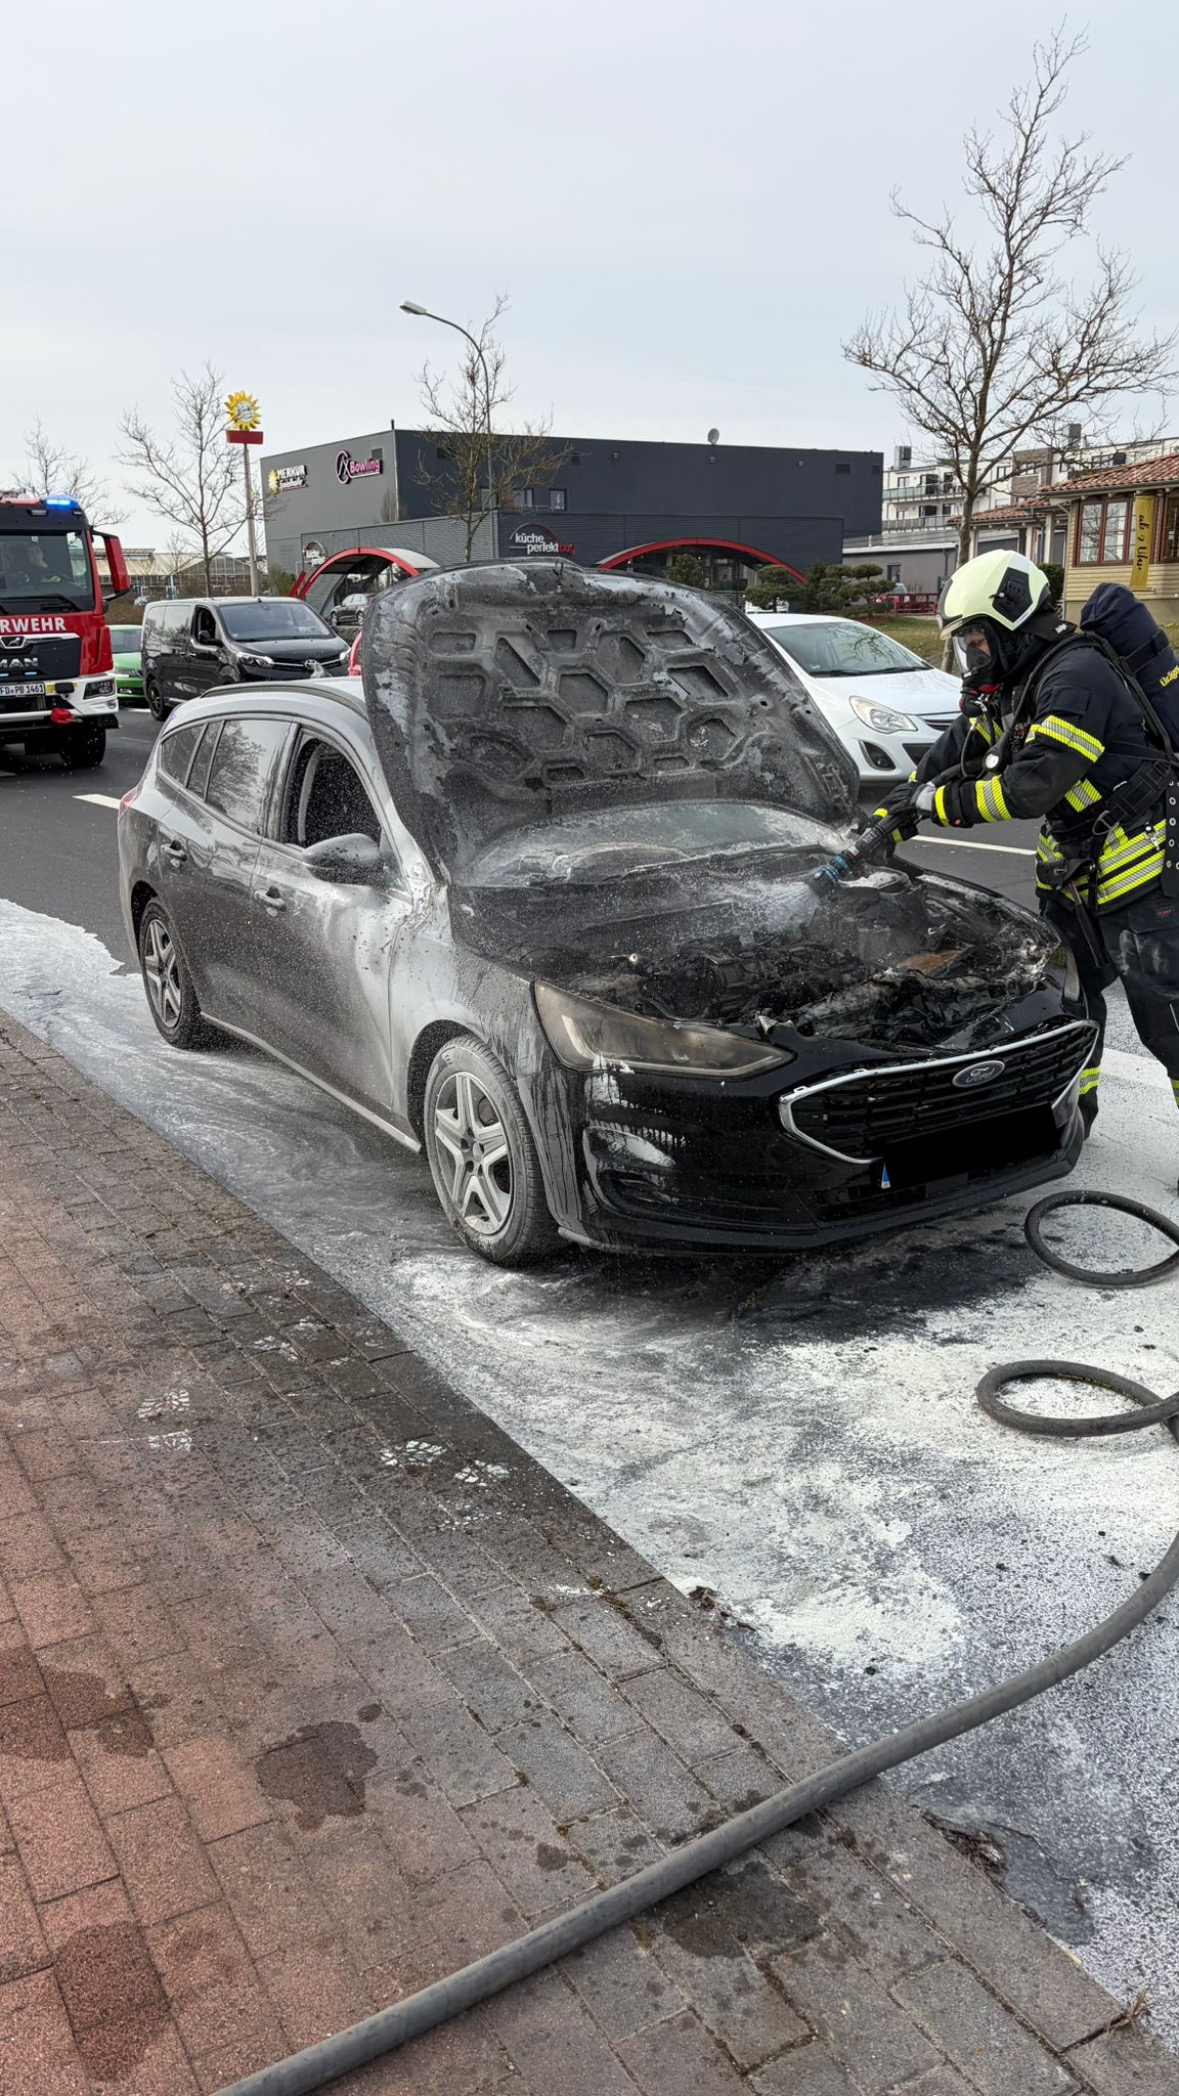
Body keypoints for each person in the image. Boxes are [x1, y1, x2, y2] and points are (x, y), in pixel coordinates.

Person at [887, 549, 1179, 1152]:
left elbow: (1033, 787)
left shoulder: (1076, 675)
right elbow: (956, 748)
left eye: (976, 638)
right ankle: (1076, 1123)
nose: (973, 653)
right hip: (1076, 873)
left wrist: (940, 807)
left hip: (1144, 871)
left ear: (1011, 620)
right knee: (1071, 1004)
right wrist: (890, 815)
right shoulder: (1015, 684)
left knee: (1166, 1022)